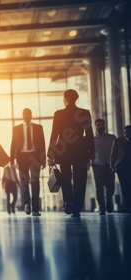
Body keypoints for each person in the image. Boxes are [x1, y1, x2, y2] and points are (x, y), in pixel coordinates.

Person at [47, 89, 95, 218]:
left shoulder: (58, 114)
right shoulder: (84, 113)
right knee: (80, 179)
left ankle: (68, 202)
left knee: (66, 178)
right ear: (76, 98)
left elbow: (54, 135)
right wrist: (92, 151)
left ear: (65, 99)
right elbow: (89, 133)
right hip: (80, 150)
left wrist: (50, 153)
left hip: (64, 151)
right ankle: (77, 208)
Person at [10, 108, 46, 216]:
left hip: (35, 155)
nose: (26, 116)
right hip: (22, 157)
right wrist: (12, 159)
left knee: (35, 181)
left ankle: (35, 209)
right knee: (24, 182)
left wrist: (43, 160)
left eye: (28, 114)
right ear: (22, 115)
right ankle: (27, 204)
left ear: (31, 115)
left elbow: (43, 144)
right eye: (24, 114)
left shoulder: (38, 128)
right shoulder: (16, 129)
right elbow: (13, 145)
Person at [92, 119, 117, 215]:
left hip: (110, 166)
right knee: (99, 187)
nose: (99, 126)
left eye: (101, 125)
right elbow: (89, 153)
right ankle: (102, 207)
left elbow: (116, 151)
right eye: (97, 125)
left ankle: (109, 200)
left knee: (110, 186)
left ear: (104, 125)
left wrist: (115, 164)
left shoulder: (112, 138)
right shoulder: (92, 139)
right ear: (95, 126)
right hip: (97, 165)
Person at [110, 125, 131, 214]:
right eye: (125, 132)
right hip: (121, 167)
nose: (127, 134)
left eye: (129, 132)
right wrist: (112, 166)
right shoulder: (118, 141)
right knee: (124, 186)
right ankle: (127, 206)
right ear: (123, 132)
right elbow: (113, 154)